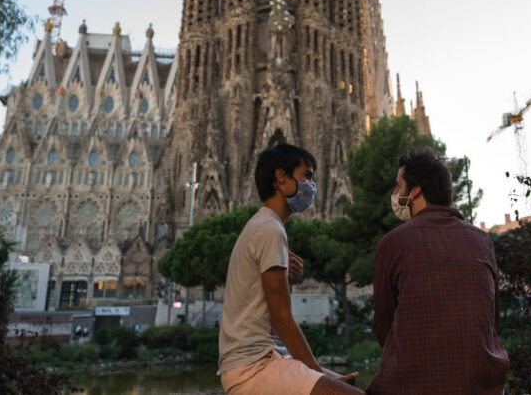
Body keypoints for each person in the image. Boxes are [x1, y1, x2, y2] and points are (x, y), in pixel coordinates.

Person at [218, 144, 363, 395]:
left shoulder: (263, 224)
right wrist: (317, 371)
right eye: (307, 176)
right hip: (253, 367)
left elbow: (261, 304)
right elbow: (282, 319)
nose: (312, 185)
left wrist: (330, 376)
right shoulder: (270, 230)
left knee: (344, 385)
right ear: (281, 178)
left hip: (263, 358)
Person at [367, 149, 509, 395]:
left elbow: (384, 325)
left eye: (398, 187)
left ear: (416, 191)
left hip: (414, 385)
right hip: (486, 385)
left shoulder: (393, 243)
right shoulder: (482, 240)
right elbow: (491, 319)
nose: (395, 195)